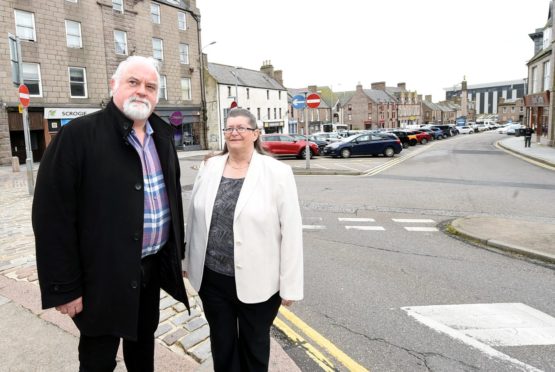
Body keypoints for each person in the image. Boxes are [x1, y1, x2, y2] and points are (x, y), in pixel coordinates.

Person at [32, 55, 189, 371]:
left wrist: (176, 255)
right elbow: (52, 218)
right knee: (98, 356)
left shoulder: (162, 137)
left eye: (150, 86)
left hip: (148, 271)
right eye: (133, 82)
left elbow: (172, 199)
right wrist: (64, 287)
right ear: (114, 85)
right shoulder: (77, 136)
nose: (141, 91)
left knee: (143, 347)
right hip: (100, 278)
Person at [184, 108, 304, 372]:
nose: (234, 132)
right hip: (213, 279)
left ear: (255, 134)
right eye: (229, 128)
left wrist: (290, 286)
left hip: (260, 281)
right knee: (222, 345)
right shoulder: (210, 166)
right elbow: (194, 214)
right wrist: (187, 257)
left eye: (241, 128)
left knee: (254, 346)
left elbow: (291, 231)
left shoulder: (277, 172)